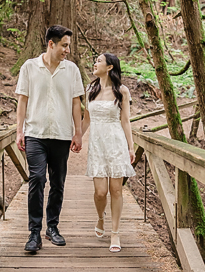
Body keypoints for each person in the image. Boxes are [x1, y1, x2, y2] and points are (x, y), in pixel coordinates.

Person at [15, 25, 84, 253]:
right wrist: (19, 131)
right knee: (37, 179)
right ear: (51, 44)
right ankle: (34, 232)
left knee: (58, 183)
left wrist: (78, 132)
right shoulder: (29, 67)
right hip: (35, 133)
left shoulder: (72, 70)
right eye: (64, 45)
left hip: (62, 135)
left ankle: (52, 227)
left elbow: (76, 103)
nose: (67, 50)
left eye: (69, 46)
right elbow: (22, 101)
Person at [82, 53, 136, 253]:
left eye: (98, 61)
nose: (94, 63)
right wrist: (77, 136)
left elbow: (125, 120)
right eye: (94, 60)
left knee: (116, 190)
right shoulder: (90, 89)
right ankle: (100, 217)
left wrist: (131, 147)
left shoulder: (122, 91)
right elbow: (86, 119)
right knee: (100, 192)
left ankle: (115, 232)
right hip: (97, 144)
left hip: (116, 144)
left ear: (110, 67)